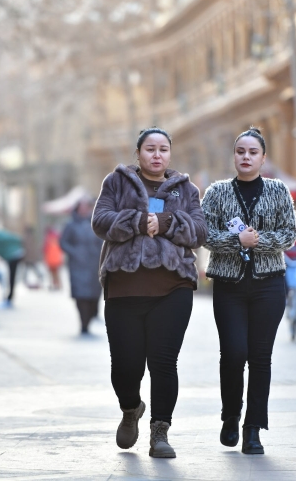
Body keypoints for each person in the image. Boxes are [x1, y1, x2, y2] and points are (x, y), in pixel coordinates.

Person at [92, 127, 207, 459]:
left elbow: (199, 231)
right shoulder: (116, 183)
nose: (157, 155)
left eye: (163, 149)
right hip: (124, 288)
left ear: (170, 154)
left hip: (173, 286)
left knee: (163, 362)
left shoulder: (186, 189)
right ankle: (131, 408)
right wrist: (138, 222)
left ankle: (160, 432)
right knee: (125, 367)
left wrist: (168, 222)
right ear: (138, 153)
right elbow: (100, 221)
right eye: (150, 149)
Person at [201, 126, 296, 455]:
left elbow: (289, 234)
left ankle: (253, 428)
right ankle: (230, 416)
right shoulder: (216, 192)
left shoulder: (278, 190)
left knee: (259, 357)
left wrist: (257, 242)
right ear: (234, 156)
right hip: (229, 286)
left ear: (262, 158)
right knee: (233, 354)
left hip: (268, 285)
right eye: (241, 152)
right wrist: (235, 241)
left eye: (252, 152)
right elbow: (204, 233)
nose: (246, 157)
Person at [60, 199, 103, 334]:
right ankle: (83, 323)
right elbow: (63, 242)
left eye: (87, 207)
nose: (85, 210)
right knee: (80, 294)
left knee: (93, 293)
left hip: (94, 264)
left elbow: (102, 240)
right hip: (77, 265)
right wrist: (75, 252)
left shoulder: (95, 223)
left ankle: (90, 317)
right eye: (82, 207)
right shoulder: (71, 225)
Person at [0, 225, 25, 303]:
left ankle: (10, 296)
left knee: (11, 276)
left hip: (13, 255)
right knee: (11, 276)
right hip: (15, 253)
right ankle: (10, 295)